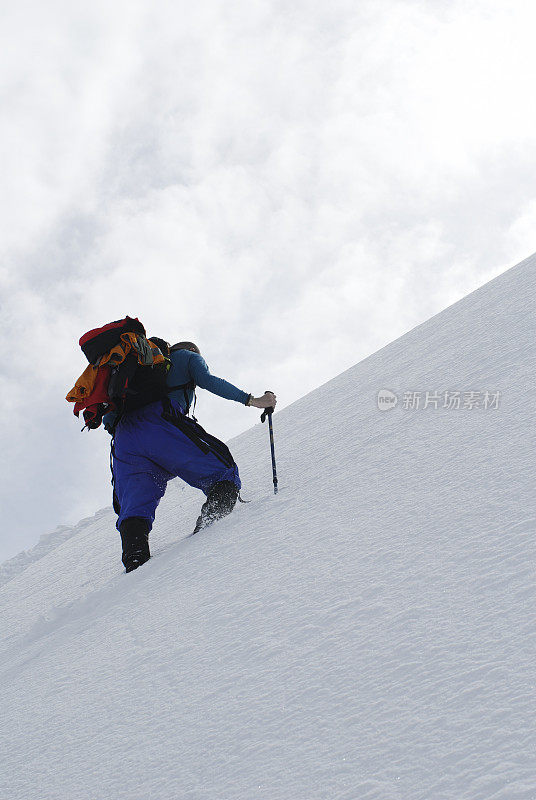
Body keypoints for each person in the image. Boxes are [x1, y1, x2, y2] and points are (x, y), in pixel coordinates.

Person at [106, 340, 276, 573]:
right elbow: (209, 381)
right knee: (222, 470)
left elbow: (108, 419)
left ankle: (135, 561)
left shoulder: (131, 371)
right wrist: (253, 400)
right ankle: (213, 522)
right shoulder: (187, 356)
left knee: (136, 505)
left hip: (124, 439)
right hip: (160, 423)